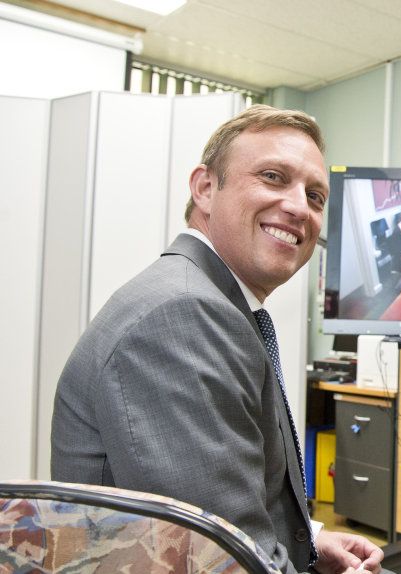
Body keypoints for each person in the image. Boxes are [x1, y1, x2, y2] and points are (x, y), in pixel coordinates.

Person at [51, 105, 384, 574]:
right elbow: (220, 560)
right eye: (272, 177)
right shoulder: (181, 314)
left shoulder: (207, 301)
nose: (298, 207)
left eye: (314, 196)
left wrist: (310, 538)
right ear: (205, 189)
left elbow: (233, 497)